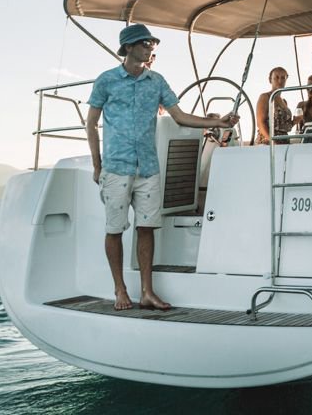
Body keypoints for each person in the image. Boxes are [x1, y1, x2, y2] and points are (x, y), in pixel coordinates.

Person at [86, 23, 239, 311]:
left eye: (152, 44)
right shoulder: (106, 81)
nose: (150, 47)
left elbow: (180, 117)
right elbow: (91, 123)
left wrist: (217, 122)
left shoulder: (156, 81)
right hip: (116, 167)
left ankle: (147, 292)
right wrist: (97, 165)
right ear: (129, 47)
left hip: (148, 167)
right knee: (115, 229)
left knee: (147, 229)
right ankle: (120, 290)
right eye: (145, 43)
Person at [256, 66, 294, 144]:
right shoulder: (265, 97)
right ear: (270, 80)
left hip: (284, 142)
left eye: (283, 78)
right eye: (276, 77)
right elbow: (260, 123)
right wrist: (273, 142)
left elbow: (283, 127)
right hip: (268, 143)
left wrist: (294, 122)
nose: (280, 80)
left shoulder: (284, 102)